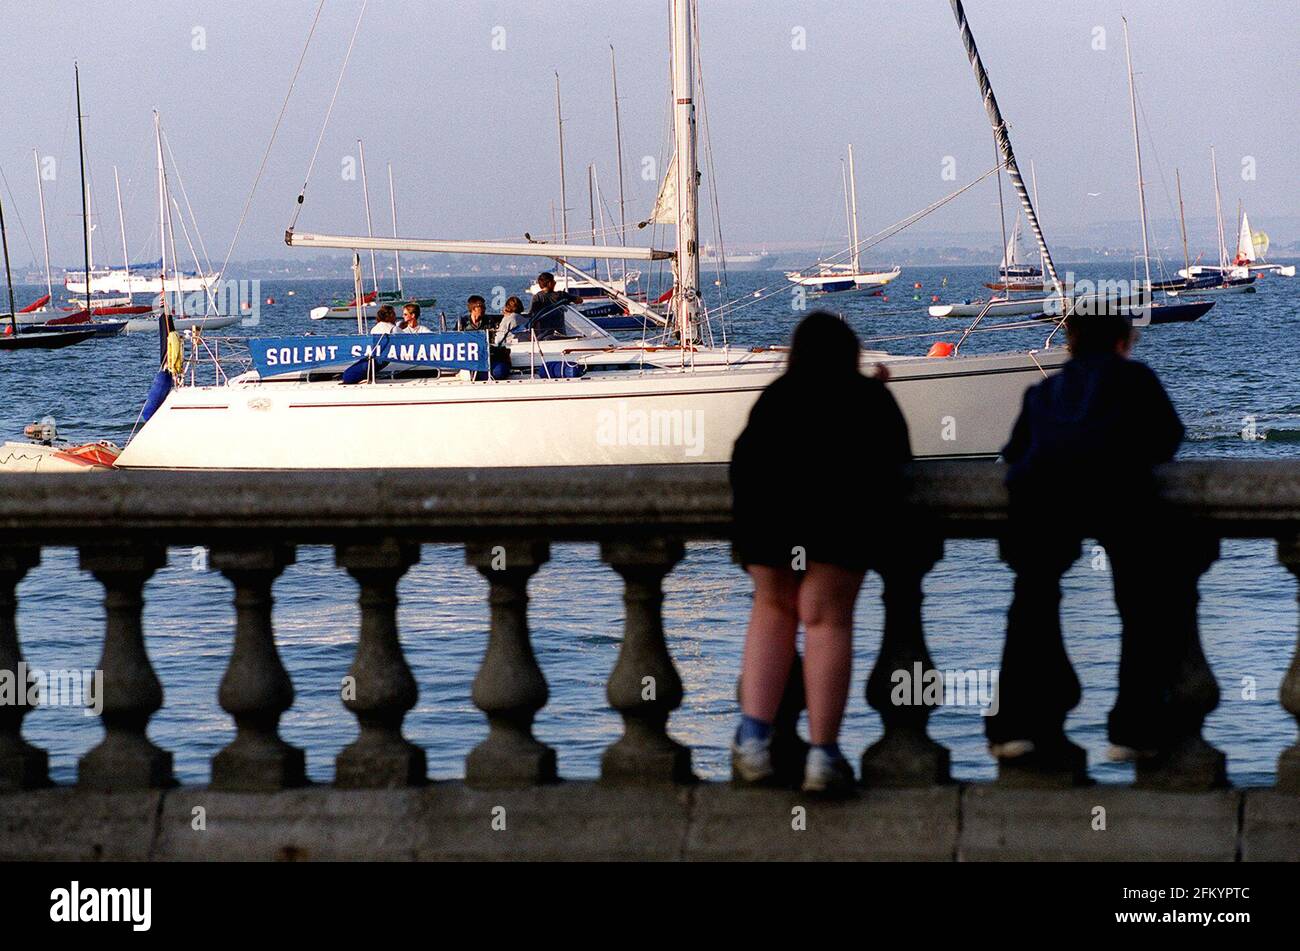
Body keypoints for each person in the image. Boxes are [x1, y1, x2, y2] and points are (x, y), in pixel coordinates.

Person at [986, 311, 1185, 768]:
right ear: (1123, 342)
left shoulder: (1045, 391)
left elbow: (1015, 452)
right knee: (1141, 609)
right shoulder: (1134, 379)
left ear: (1070, 346)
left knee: (1032, 606)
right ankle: (1133, 730)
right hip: (1119, 497)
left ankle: (1014, 727)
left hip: (1041, 500)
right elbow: (1167, 438)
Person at [729, 310, 911, 797]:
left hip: (768, 522)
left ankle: (752, 742)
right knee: (826, 621)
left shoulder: (776, 397)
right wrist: (877, 390)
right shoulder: (868, 398)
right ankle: (822, 756)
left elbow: (743, 463)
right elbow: (898, 465)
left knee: (772, 611)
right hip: (840, 522)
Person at [527, 272, 575, 338]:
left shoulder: (537, 297)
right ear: (549, 283)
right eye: (553, 280)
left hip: (543, 334)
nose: (555, 282)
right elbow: (579, 300)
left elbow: (533, 315)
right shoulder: (561, 295)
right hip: (560, 333)